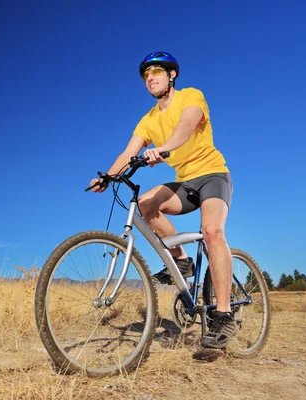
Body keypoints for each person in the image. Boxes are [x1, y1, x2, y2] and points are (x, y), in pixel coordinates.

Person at [89, 51, 237, 349]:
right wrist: (107, 176)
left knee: (212, 232)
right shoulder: (148, 120)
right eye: (146, 76)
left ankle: (224, 313)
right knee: (145, 204)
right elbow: (127, 153)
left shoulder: (191, 97)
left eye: (156, 72)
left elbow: (185, 127)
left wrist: (164, 149)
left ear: (172, 75)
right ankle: (181, 263)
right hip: (185, 182)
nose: (150, 78)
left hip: (212, 176)